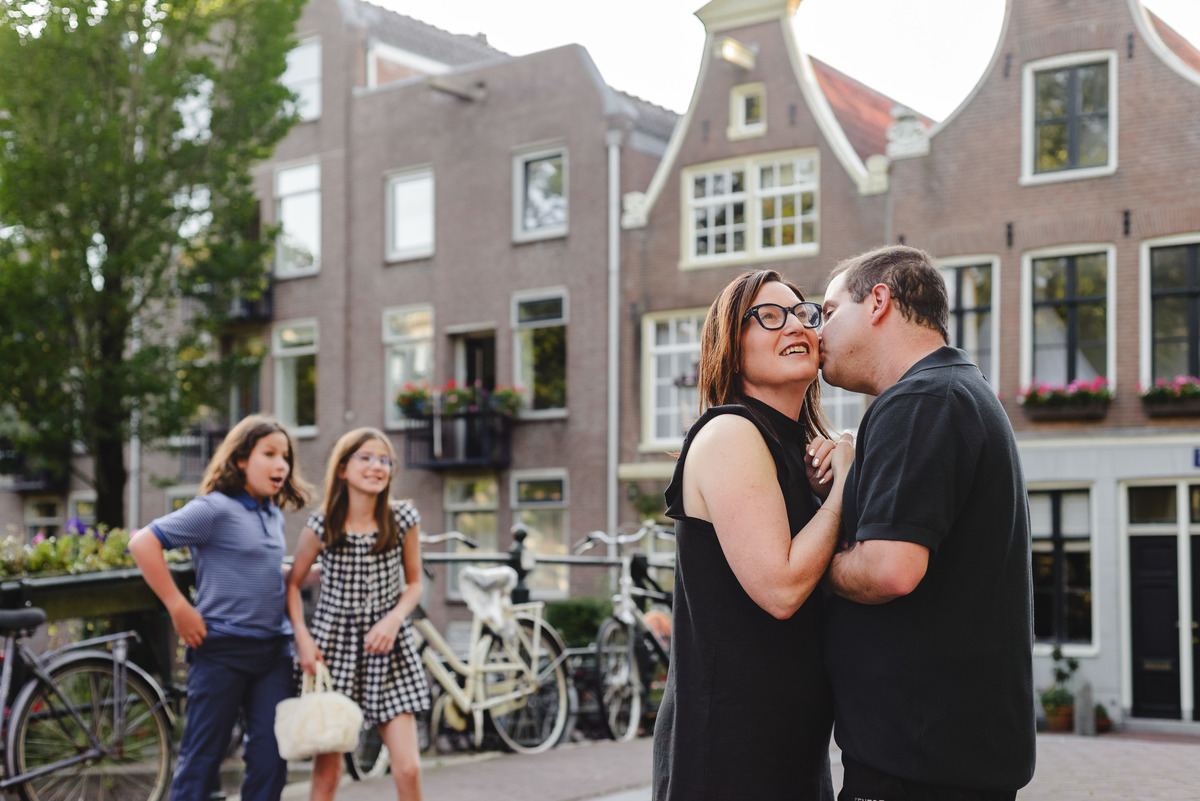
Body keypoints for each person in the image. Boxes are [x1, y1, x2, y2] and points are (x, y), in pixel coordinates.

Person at [818, 245, 1035, 801]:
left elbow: (892, 569)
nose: (816, 333)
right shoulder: (959, 389)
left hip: (915, 767)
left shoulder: (920, 399)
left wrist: (807, 561)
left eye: (828, 310)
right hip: (947, 757)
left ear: (878, 302)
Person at [652, 269, 854, 801]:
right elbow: (782, 589)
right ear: (729, 346)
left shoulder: (796, 449)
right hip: (729, 745)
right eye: (769, 316)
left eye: (804, 313)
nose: (796, 326)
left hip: (789, 738)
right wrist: (844, 491)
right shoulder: (730, 433)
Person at [130, 414, 312, 801]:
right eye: (270, 453)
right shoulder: (213, 509)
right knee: (201, 761)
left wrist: (311, 571)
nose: (282, 464)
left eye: (286, 457)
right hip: (221, 651)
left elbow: (260, 570)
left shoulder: (272, 514)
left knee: (270, 759)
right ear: (242, 459)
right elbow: (143, 543)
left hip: (273, 654)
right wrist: (179, 607)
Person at [286, 427, 429, 801]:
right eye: (366, 458)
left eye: (384, 460)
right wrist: (303, 637)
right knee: (329, 776)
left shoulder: (403, 519)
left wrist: (394, 618)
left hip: (388, 647)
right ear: (344, 468)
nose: (377, 467)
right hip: (334, 651)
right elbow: (293, 584)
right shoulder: (322, 526)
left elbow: (414, 583)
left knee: (409, 768)